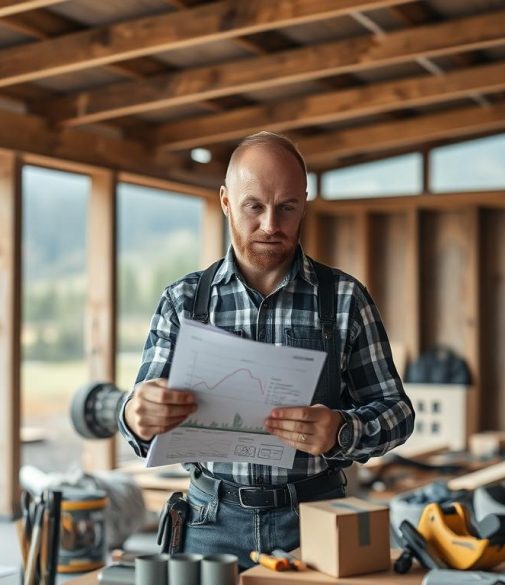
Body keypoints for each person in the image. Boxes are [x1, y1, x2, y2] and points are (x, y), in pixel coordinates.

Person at [117, 131, 414, 565]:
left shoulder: (345, 298)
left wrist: (342, 430)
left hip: (315, 518)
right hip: (208, 523)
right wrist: (136, 414)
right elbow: (139, 424)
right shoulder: (182, 302)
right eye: (253, 206)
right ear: (224, 201)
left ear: (305, 204)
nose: (271, 225)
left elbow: (397, 412)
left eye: (287, 207)